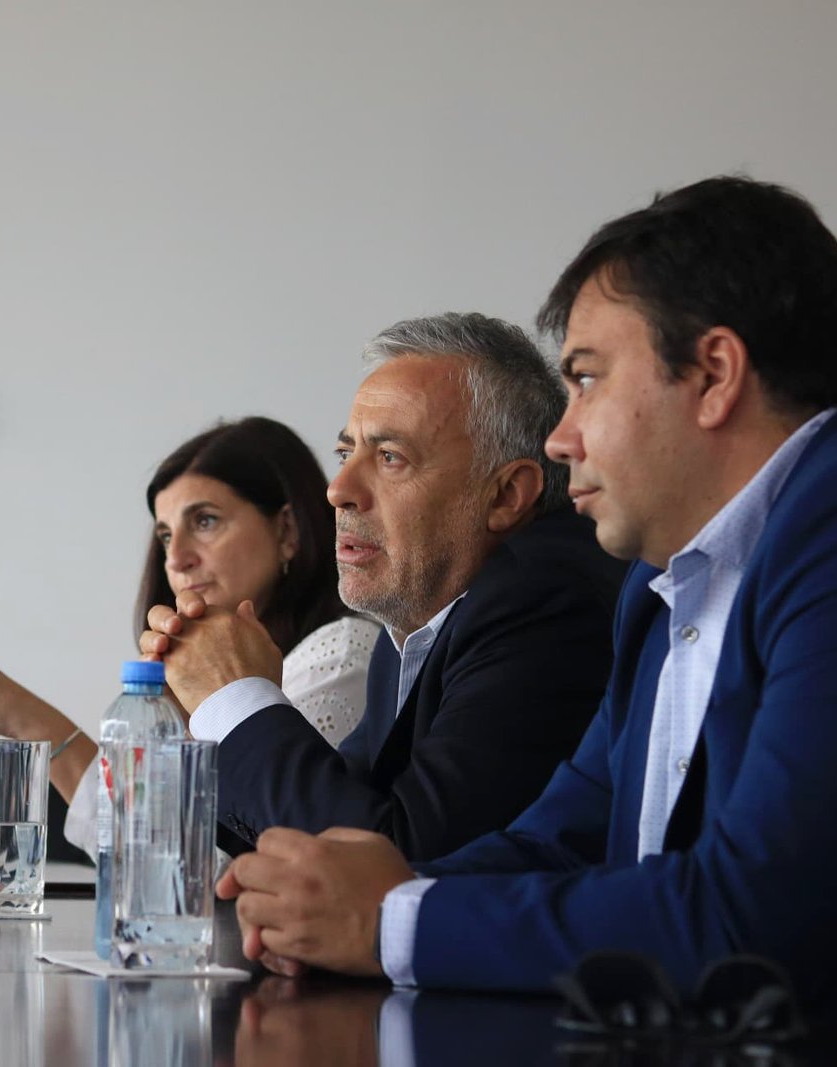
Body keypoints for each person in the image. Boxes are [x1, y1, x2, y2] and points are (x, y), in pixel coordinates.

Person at [208, 176, 837, 1029]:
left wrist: (390, 922)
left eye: (586, 379)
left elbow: (753, 915)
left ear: (714, 375)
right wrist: (337, 902)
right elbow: (557, 839)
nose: (560, 436)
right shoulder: (660, 588)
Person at [141, 313, 627, 861]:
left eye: (390, 457)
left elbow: (395, 864)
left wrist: (237, 696)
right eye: (346, 453)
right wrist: (205, 712)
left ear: (506, 494)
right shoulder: (415, 626)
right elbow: (348, 813)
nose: (338, 490)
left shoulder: (544, 604)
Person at [0, 416, 381, 853]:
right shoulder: (196, 677)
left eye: (205, 521)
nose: (177, 558)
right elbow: (139, 846)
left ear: (287, 531)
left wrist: (29, 720)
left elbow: (206, 868)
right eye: (166, 534)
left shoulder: (341, 652)